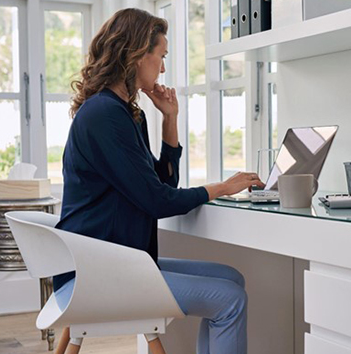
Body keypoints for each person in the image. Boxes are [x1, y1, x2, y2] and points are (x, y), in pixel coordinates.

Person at [52, 8, 264, 354]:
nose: (163, 68)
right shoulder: (105, 115)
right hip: (97, 276)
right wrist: (222, 187)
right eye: (161, 56)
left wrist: (170, 118)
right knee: (230, 299)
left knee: (232, 279)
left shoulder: (125, 113)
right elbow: (157, 200)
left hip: (118, 263)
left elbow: (162, 180)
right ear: (137, 54)